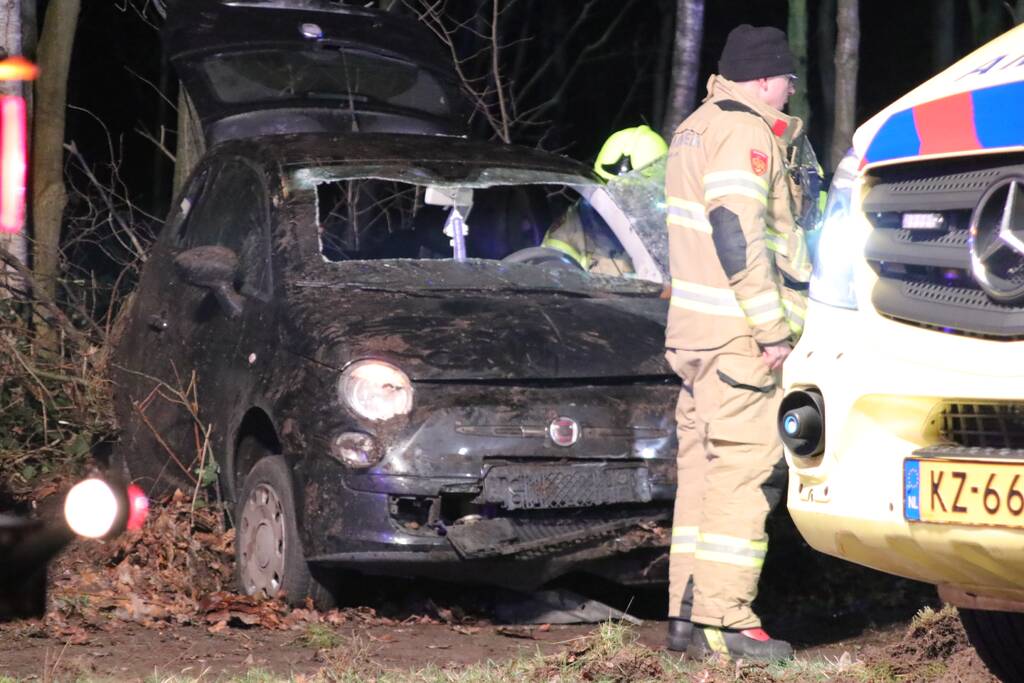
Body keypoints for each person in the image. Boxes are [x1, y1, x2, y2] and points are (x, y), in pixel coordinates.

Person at [662, 24, 813, 661]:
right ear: (761, 78)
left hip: (696, 337)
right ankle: (728, 625)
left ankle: (687, 616)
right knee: (744, 475)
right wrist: (772, 327)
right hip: (738, 337)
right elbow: (736, 231)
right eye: (786, 79)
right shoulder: (745, 130)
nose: (790, 89)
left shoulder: (695, 126)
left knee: (701, 474)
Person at [541, 125, 668, 274]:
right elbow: (550, 279)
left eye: (632, 192)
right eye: (612, 189)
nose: (623, 200)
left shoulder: (672, 224)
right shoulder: (571, 231)